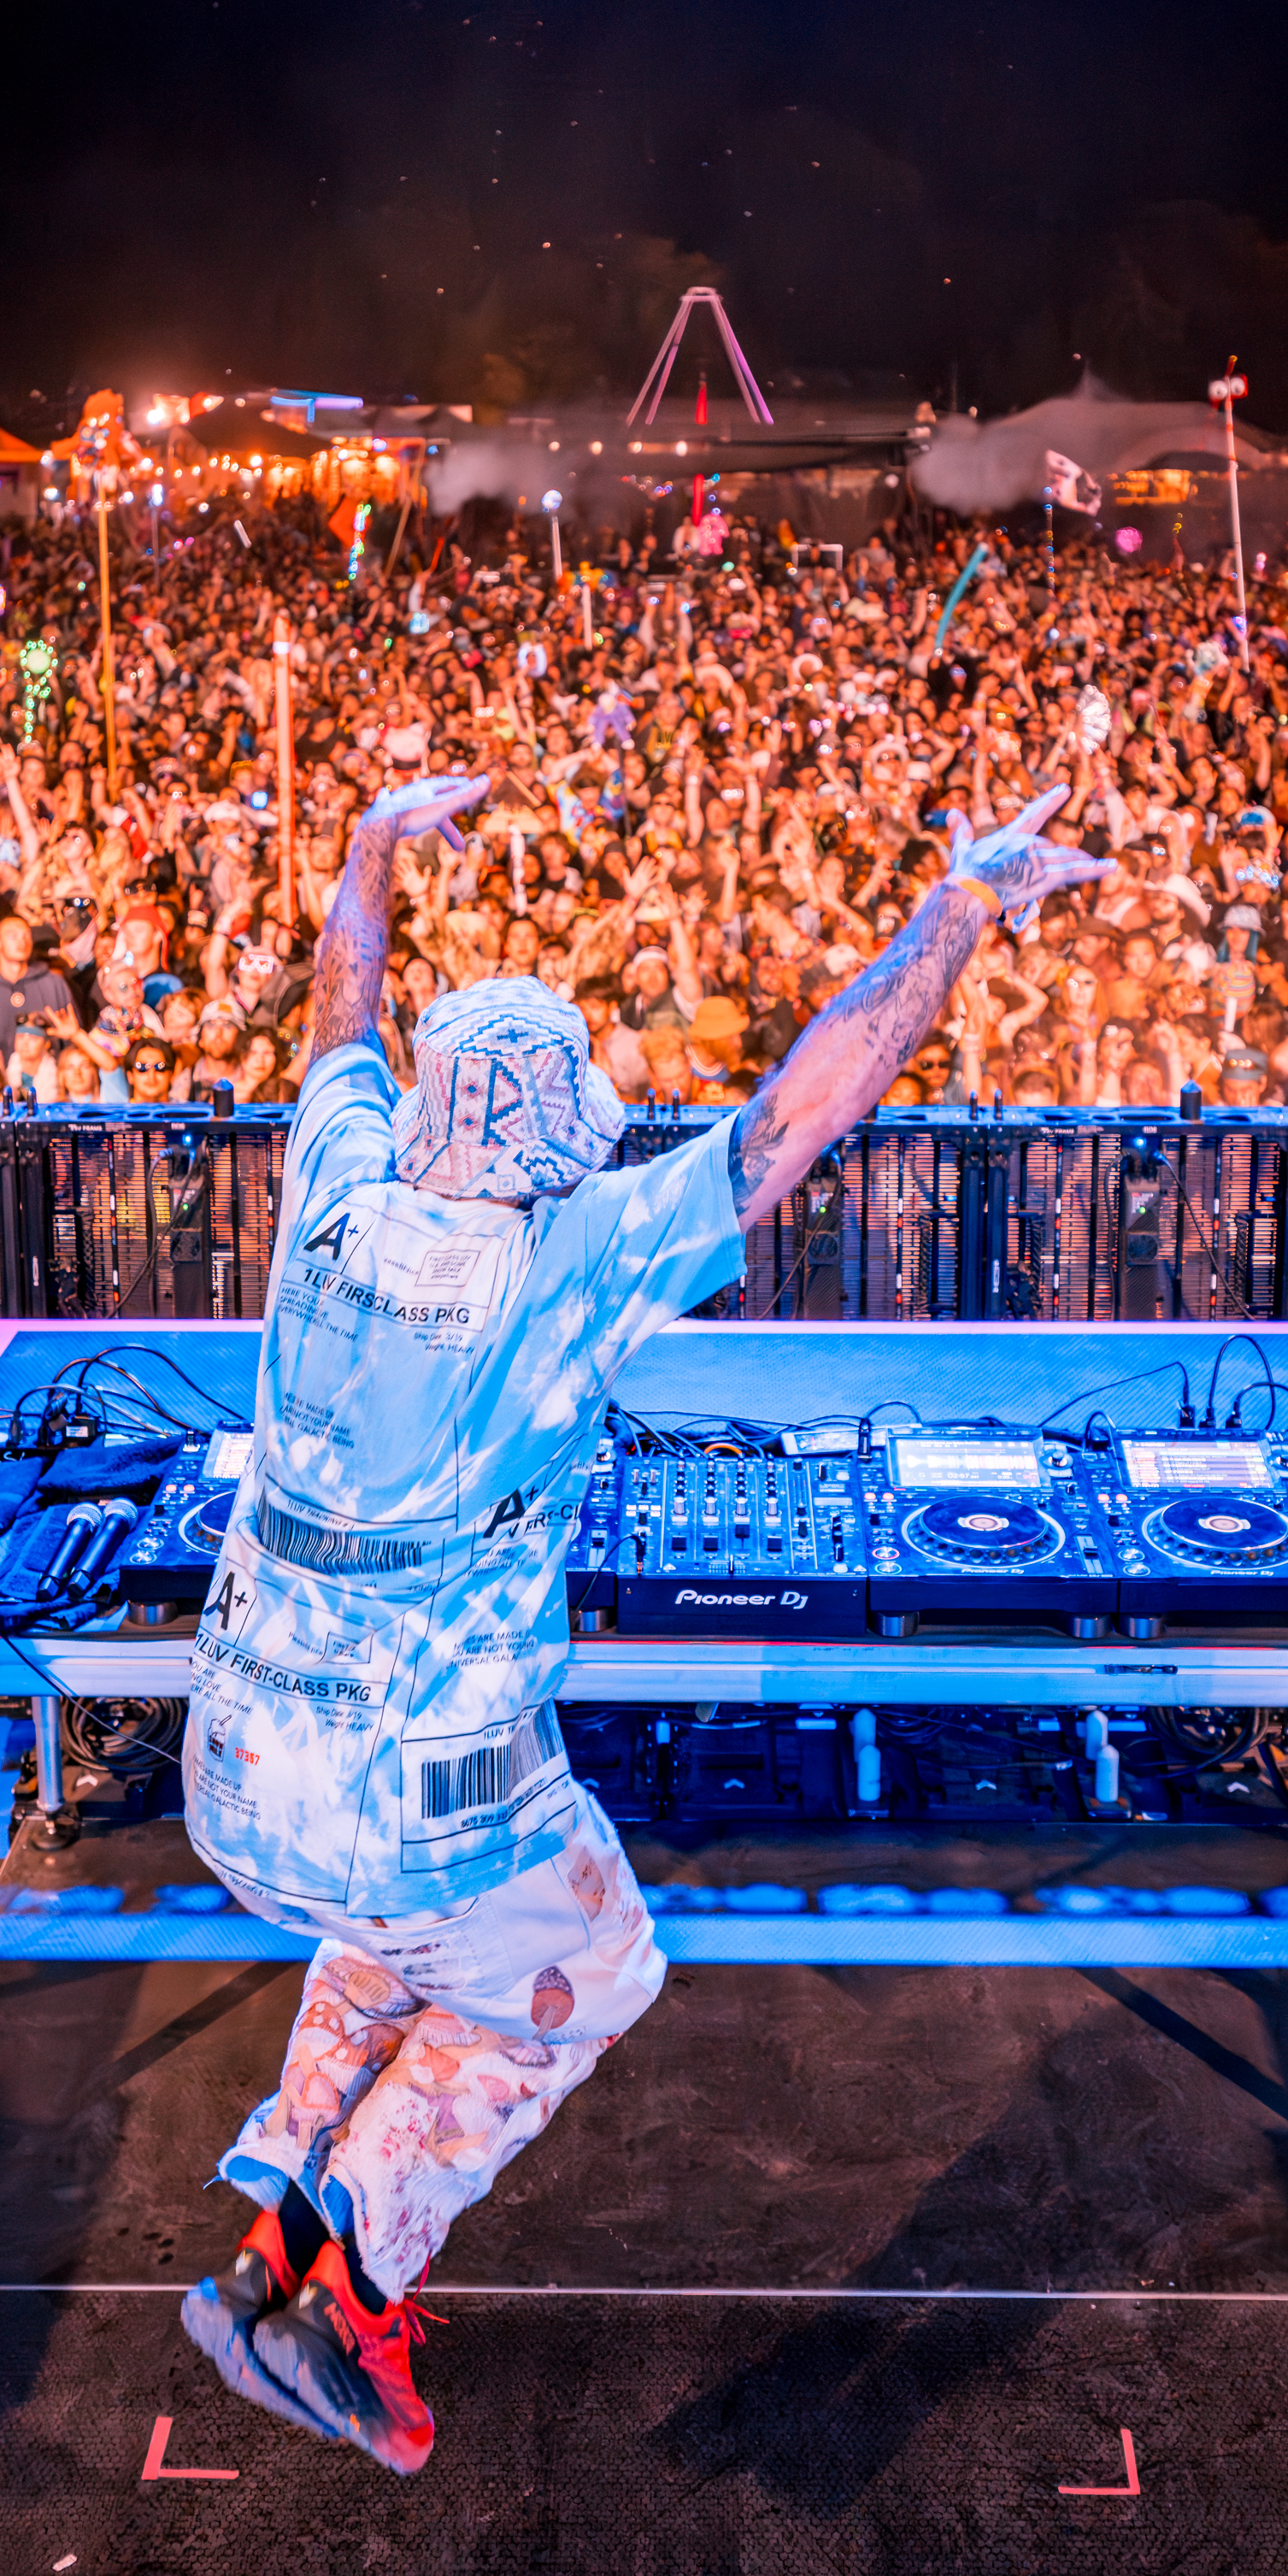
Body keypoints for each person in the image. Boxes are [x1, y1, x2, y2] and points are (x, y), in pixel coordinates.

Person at [176, 771, 1108, 2473]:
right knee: (584, 1966)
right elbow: (797, 1113)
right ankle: (352, 2278)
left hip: (236, 1761)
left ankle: (269, 2224)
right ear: (552, 1131)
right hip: (416, 1780)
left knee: (397, 1941)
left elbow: (340, 1003)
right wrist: (965, 904)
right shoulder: (571, 1252)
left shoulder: (336, 1184)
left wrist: (372, 844)